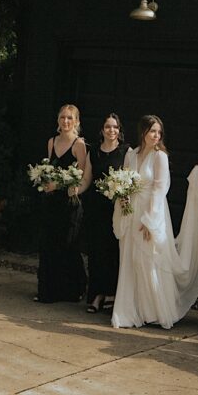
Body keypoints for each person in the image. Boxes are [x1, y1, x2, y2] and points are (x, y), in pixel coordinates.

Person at [111, 115, 198, 329]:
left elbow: (159, 188)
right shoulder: (131, 154)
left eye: (158, 132)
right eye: (152, 131)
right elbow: (125, 180)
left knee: (148, 260)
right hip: (131, 211)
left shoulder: (160, 157)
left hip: (151, 212)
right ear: (143, 132)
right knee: (130, 259)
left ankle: (154, 311)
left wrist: (149, 221)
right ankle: (133, 309)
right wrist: (123, 197)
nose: (156, 136)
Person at [35, 103, 87, 304]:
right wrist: (45, 181)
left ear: (76, 122)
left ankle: (74, 287)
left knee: (67, 245)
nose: (65, 121)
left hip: (69, 203)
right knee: (48, 243)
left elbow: (81, 177)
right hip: (52, 201)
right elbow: (49, 167)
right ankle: (48, 290)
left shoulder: (79, 145)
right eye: (62, 118)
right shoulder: (52, 141)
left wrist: (61, 185)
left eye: (69, 118)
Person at [78, 113, 130, 313]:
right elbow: (86, 180)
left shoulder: (126, 151)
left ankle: (112, 293)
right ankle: (96, 295)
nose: (111, 130)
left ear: (119, 130)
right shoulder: (94, 153)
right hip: (96, 209)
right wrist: (74, 189)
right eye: (108, 127)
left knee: (113, 252)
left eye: (115, 127)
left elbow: (129, 180)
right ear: (102, 130)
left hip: (116, 208)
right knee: (96, 252)